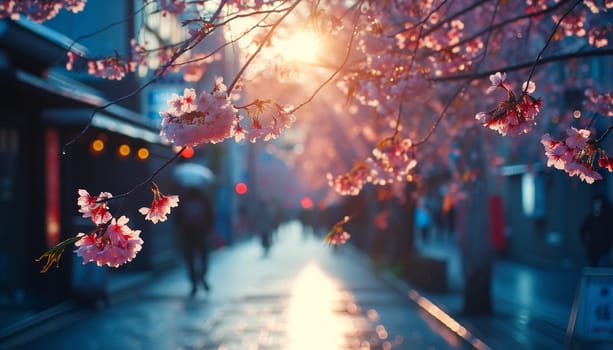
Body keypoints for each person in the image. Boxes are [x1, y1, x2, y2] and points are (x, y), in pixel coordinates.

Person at [175, 187, 215, 296]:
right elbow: (178, 217)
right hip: (189, 232)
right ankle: (195, 282)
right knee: (193, 258)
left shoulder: (203, 200)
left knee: (200, 257)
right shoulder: (185, 201)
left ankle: (201, 278)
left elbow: (210, 215)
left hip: (199, 232)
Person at [579, 194, 613, 267]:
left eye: (599, 203)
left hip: (604, 250)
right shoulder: (590, 218)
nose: (597, 206)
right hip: (592, 250)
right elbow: (582, 230)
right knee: (593, 270)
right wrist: (586, 242)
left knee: (602, 269)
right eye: (596, 203)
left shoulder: (608, 218)